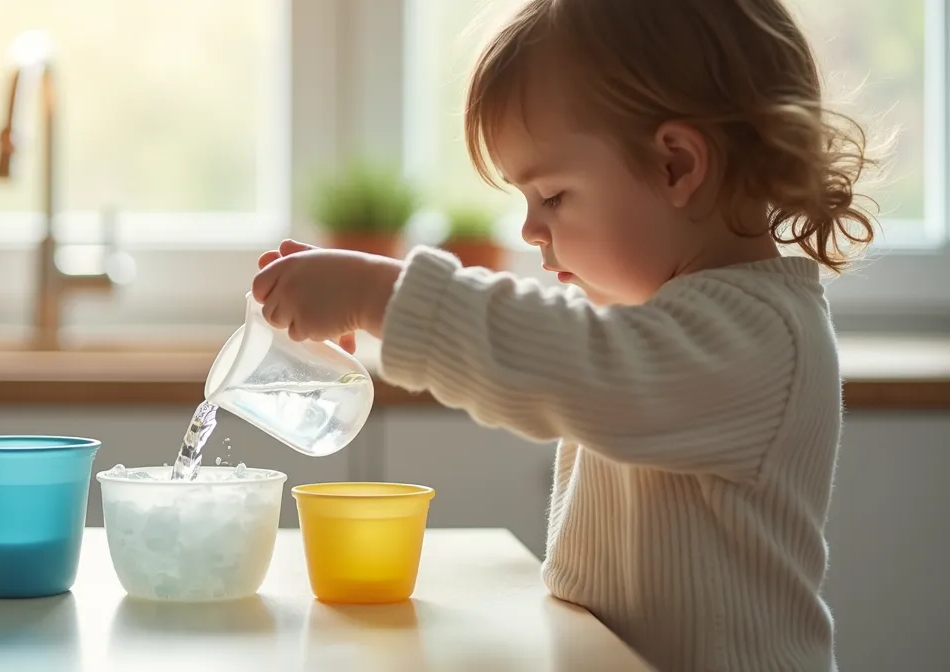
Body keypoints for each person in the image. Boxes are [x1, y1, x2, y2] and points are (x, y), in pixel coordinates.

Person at [252, 0, 882, 669]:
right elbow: (552, 354)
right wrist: (366, 316)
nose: (529, 230)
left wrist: (374, 294)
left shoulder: (761, 339)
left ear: (677, 166)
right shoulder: (676, 327)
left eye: (551, 195)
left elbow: (574, 365)